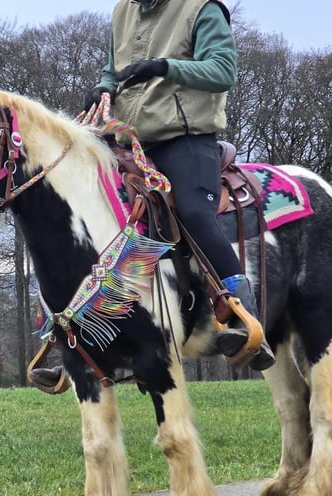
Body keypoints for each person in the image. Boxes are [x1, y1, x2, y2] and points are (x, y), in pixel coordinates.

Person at [81, 0, 274, 371]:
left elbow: (223, 71)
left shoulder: (202, 8)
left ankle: (242, 317)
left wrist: (165, 68)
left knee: (193, 212)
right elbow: (112, 68)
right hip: (127, 143)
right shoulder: (124, 10)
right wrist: (103, 87)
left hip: (185, 139)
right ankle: (79, 332)